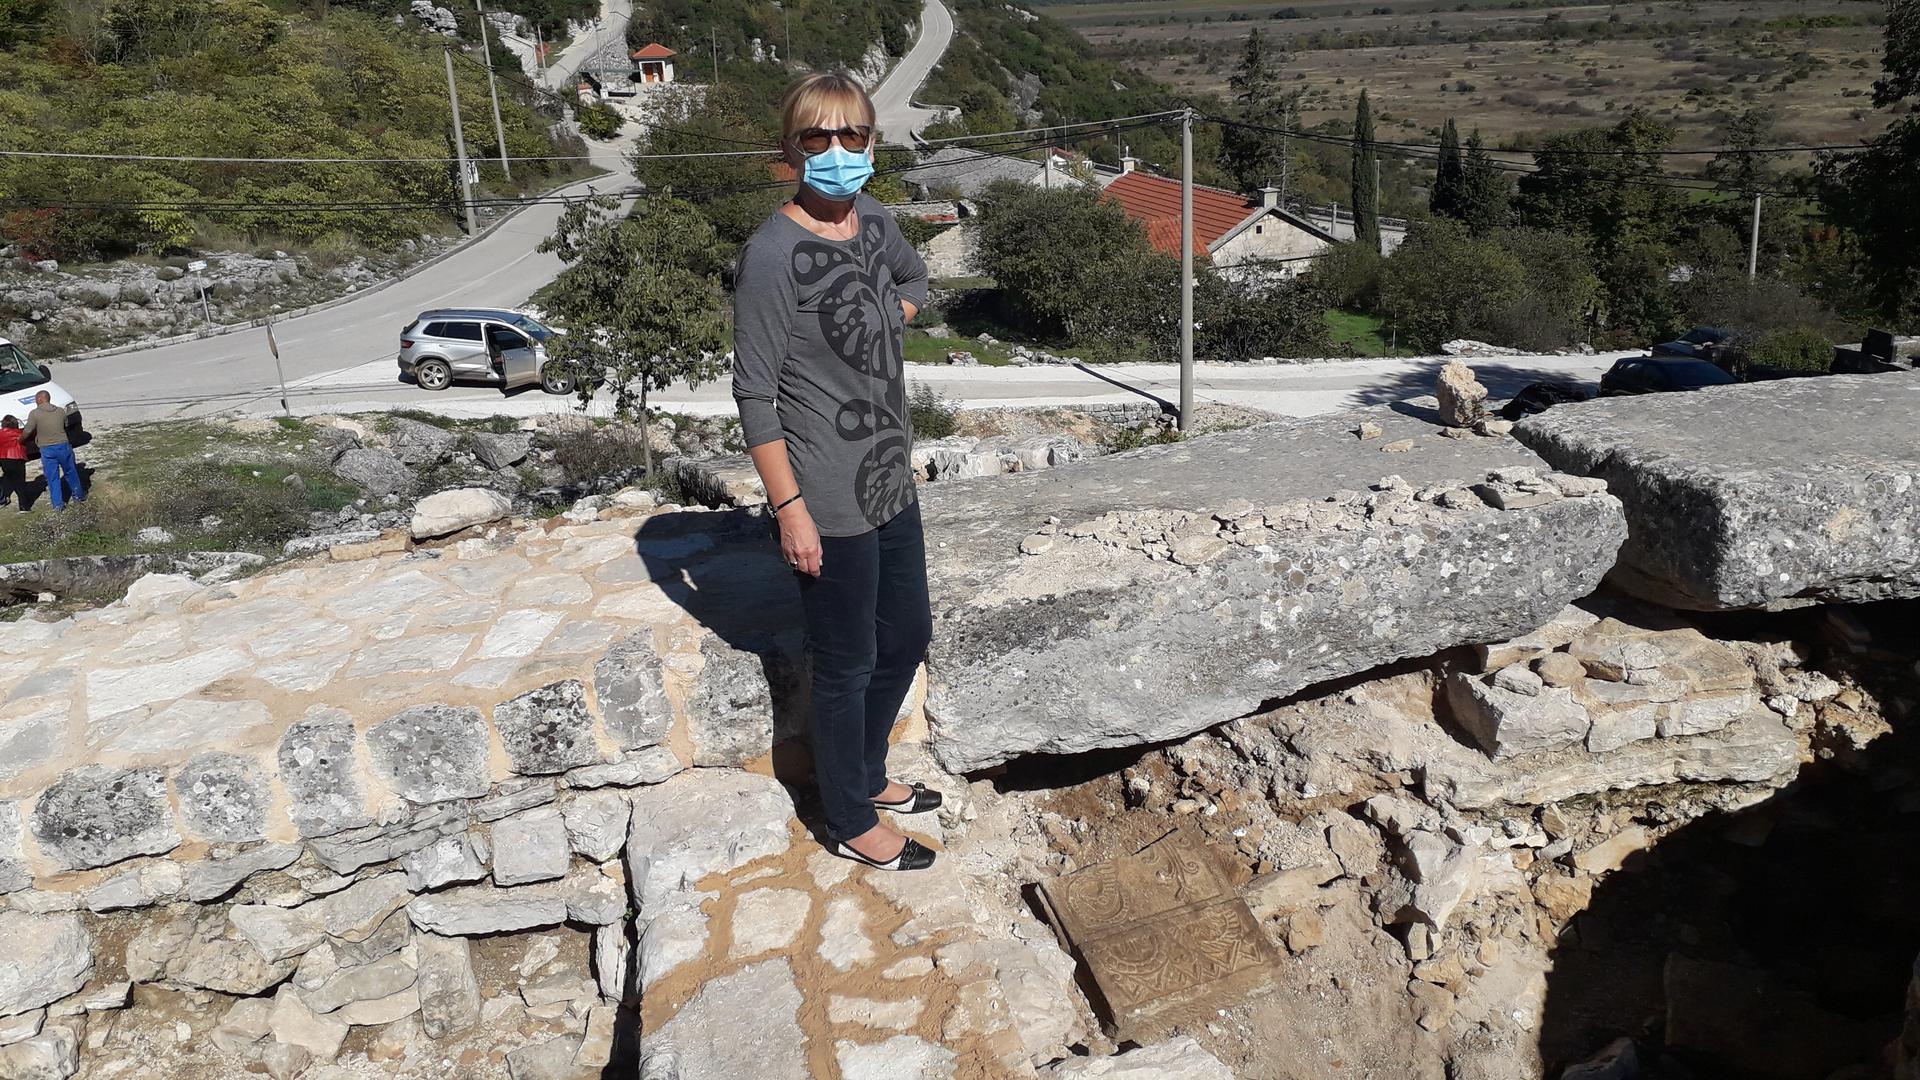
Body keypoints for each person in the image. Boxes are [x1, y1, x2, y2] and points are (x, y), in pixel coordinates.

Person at [733, 73, 939, 872]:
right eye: (816, 137)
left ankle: (868, 773)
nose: (836, 151)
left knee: (908, 635)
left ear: (872, 142)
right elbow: (754, 392)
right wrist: (789, 508)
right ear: (789, 150)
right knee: (847, 661)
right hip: (825, 494)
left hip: (890, 477)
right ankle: (848, 816)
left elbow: (916, 282)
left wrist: (886, 319)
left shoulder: (875, 219)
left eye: (851, 135)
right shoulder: (772, 255)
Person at [25, 391, 82, 510]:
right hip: (63, 445)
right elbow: (65, 424)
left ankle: (58, 505)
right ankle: (78, 497)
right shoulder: (60, 411)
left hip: (47, 449)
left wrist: (20, 440)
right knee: (71, 472)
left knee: (53, 478)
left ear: (40, 400)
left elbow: (28, 431)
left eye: (36, 400)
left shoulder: (34, 414)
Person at [0, 416, 25, 512]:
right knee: (20, 483)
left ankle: (3, 499)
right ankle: (24, 506)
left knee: (9, 478)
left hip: (4, 458)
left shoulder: (1, 434)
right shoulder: (20, 433)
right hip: (18, 457)